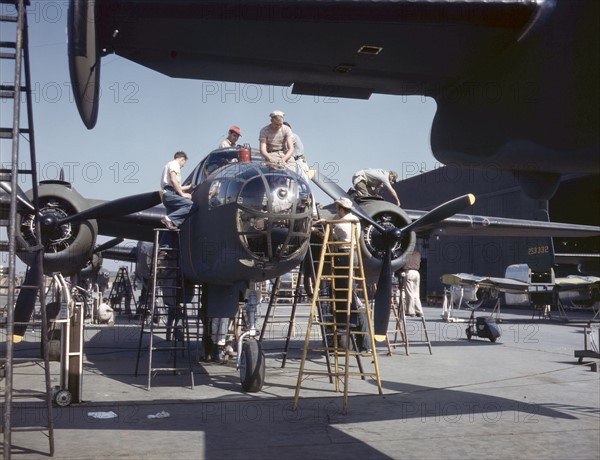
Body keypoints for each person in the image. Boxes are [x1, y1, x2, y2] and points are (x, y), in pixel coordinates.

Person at [313, 197, 371, 352]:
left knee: (344, 294)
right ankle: (359, 335)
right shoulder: (356, 220)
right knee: (350, 291)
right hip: (354, 256)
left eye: (337, 208)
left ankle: (348, 321)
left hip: (344, 257)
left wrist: (318, 230)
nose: (336, 211)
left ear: (340, 209)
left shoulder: (340, 224)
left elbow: (329, 238)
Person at [160, 151, 197, 230]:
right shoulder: (175, 164)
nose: (183, 166)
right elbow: (173, 180)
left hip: (168, 193)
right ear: (182, 159)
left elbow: (175, 186)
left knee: (171, 227)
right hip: (170, 194)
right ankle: (168, 219)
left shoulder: (169, 164)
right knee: (191, 206)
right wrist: (182, 194)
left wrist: (189, 187)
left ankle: (166, 241)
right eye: (184, 163)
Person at [402, 250, 424, 317]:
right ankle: (419, 311)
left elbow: (402, 263)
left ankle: (410, 311)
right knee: (416, 293)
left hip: (409, 272)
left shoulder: (406, 253)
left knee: (409, 293)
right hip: (417, 273)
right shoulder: (418, 253)